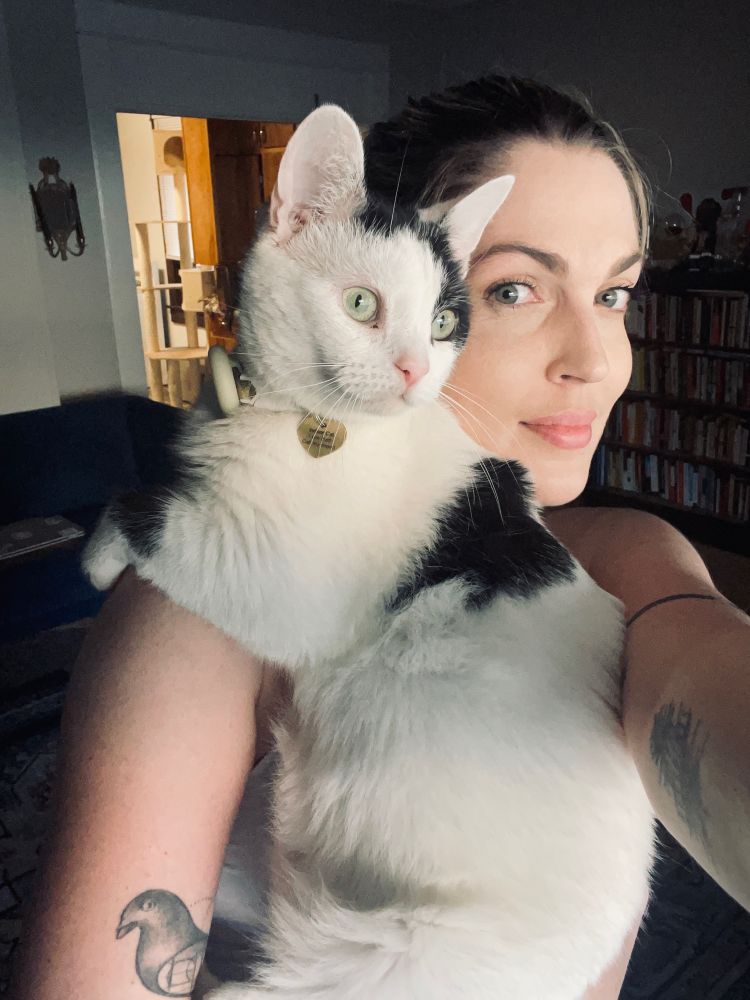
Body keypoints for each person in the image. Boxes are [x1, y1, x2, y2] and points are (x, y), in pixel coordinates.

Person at [10, 76, 749, 1000]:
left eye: (614, 294)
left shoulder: (628, 553)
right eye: (514, 289)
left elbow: (708, 681)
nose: (595, 360)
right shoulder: (196, 611)